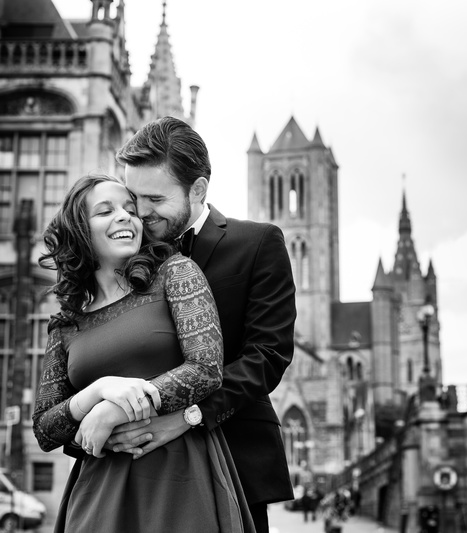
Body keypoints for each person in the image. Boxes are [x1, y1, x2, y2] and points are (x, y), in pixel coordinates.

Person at [105, 116, 296, 533]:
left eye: (154, 198)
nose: (139, 212)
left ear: (198, 189)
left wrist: (187, 415)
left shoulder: (259, 243)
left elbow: (268, 356)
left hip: (233, 458)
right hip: (133, 466)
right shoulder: (120, 253)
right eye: (132, 197)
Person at [32, 174, 254, 532]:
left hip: (180, 475)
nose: (125, 217)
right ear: (79, 230)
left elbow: (205, 369)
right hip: (99, 486)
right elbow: (44, 429)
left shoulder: (176, 273)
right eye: (106, 211)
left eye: (130, 210)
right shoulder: (65, 324)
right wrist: (98, 393)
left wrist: (116, 409)